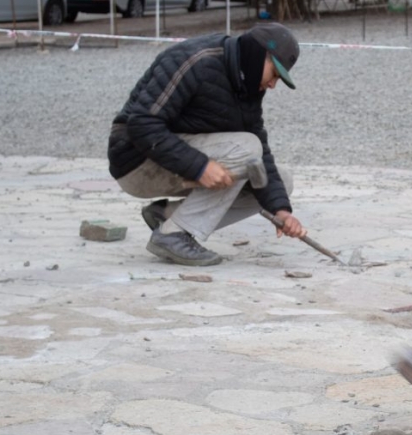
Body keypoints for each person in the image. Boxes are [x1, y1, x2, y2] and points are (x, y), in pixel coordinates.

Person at [108, 23, 306, 267]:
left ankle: (168, 217)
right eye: (274, 74)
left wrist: (281, 211)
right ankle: (173, 235)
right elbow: (142, 124)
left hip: (173, 162)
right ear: (258, 54)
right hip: (135, 161)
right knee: (246, 149)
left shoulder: (248, 84)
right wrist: (200, 167)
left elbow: (260, 154)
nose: (273, 84)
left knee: (280, 181)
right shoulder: (196, 61)